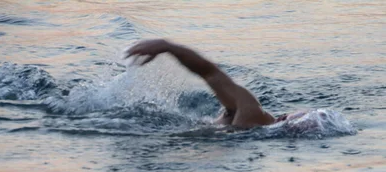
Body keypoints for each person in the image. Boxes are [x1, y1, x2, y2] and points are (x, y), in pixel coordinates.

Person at [126, 39, 304, 128]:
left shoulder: (251, 117)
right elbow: (209, 72)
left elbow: (210, 73)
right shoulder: (251, 109)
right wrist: (168, 47)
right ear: (283, 119)